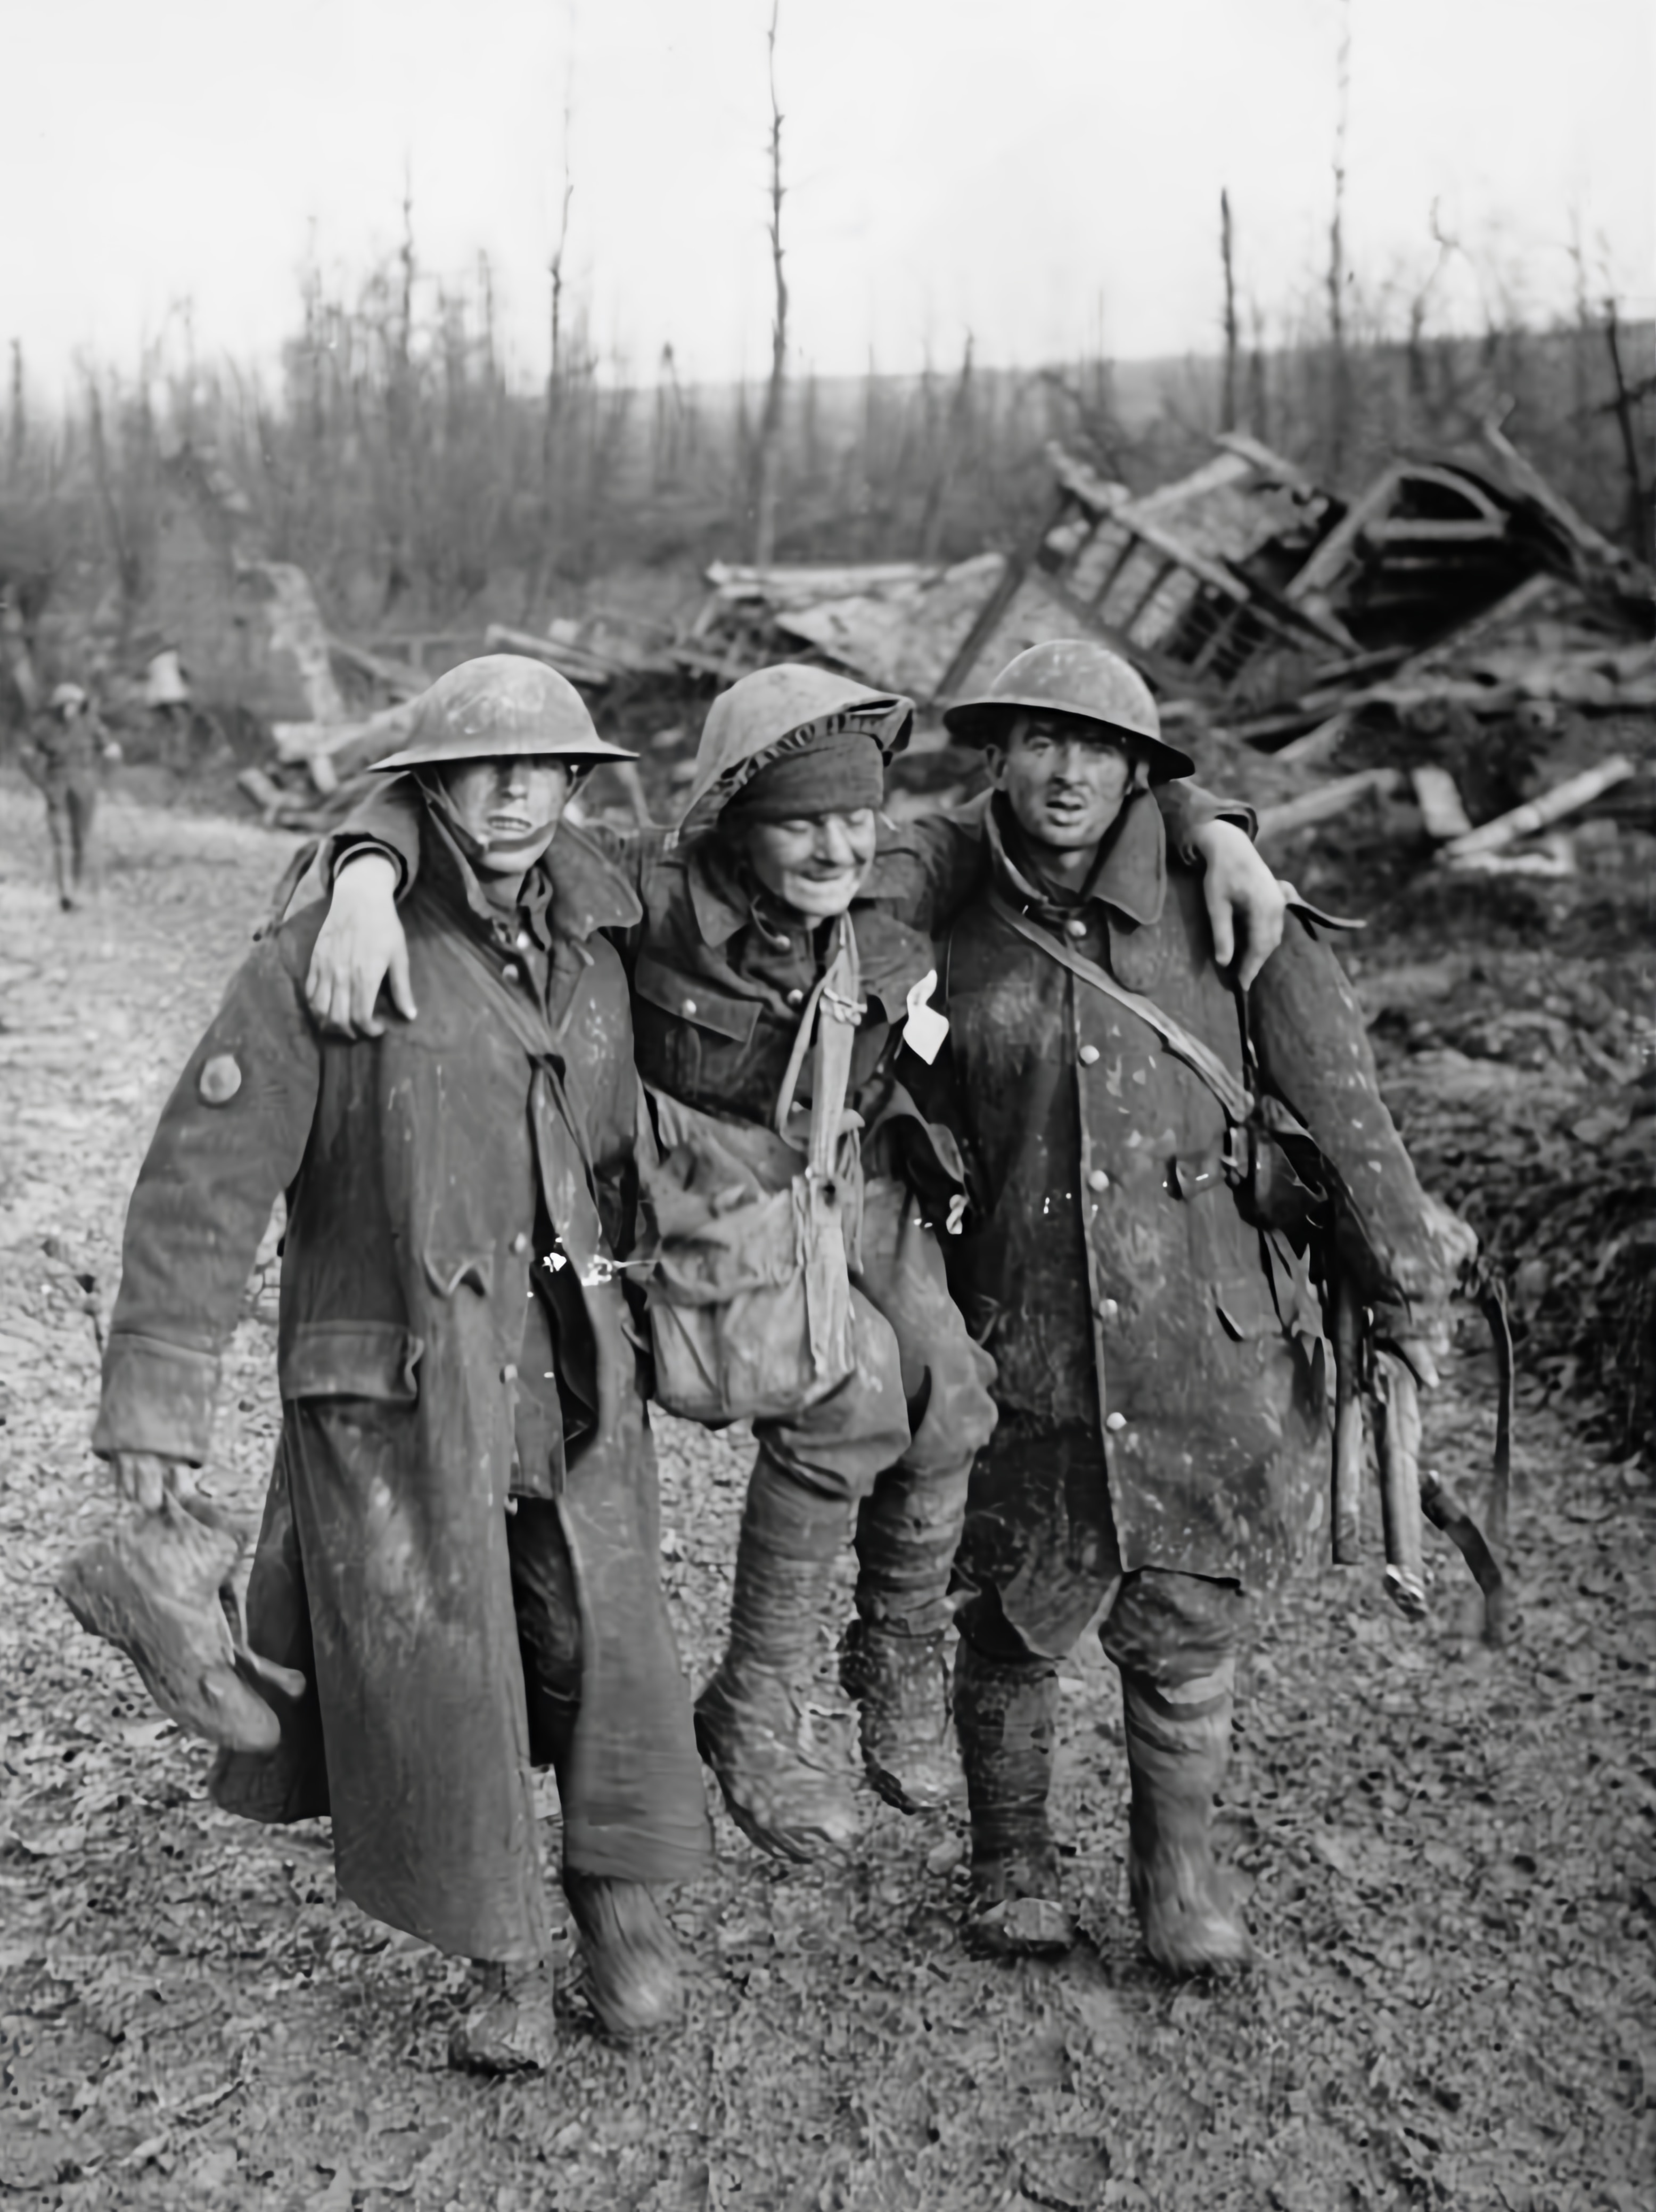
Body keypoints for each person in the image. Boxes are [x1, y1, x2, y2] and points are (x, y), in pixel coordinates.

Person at [306, 661, 1288, 1869]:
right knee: (858, 1390)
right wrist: (365, 874)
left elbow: (1062, 808)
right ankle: (758, 1699)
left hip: (856, 1179)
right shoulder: (645, 883)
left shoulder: (904, 869)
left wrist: (1215, 828)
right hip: (709, 1196)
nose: (837, 847)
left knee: (954, 1396)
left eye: (855, 816)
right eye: (801, 821)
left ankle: (894, 1647)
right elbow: (475, 826)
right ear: (733, 819)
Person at [89, 656, 712, 2074]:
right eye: (480, 769)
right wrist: (157, 1404)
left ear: (577, 783)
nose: (515, 794)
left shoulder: (608, 929)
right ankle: (504, 1956)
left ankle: (616, 1899)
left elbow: (777, 868)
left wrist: (1203, 831)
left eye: (544, 768)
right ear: (425, 787)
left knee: (591, 1643)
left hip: (571, 1370)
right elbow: (202, 1182)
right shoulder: (329, 947)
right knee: (445, 1665)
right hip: (401, 1382)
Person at [904, 638, 1463, 1973]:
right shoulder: (945, 909)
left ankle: (1177, 1868)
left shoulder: (1227, 904)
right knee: (1011, 1605)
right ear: (999, 754)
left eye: (1100, 748)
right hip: (1019, 1328)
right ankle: (1009, 1859)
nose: (1068, 771)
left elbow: (1343, 1110)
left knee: (1187, 1611)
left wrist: (1405, 1289)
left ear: (1142, 773)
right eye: (1043, 740)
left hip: (1201, 1334)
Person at [23, 681, 119, 908]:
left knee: (81, 839)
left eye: (73, 704)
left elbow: (113, 752)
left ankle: (77, 889)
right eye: (64, 704)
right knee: (61, 839)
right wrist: (40, 782)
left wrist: (102, 780)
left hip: (85, 783)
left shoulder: (91, 725)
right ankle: (65, 892)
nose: (69, 709)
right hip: (57, 785)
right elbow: (26, 756)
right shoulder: (45, 727)